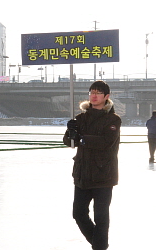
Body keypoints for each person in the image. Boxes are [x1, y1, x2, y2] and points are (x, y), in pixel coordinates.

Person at [63, 80, 121, 250]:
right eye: (91, 92)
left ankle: (99, 247)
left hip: (104, 174)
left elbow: (106, 142)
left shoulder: (113, 119)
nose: (94, 96)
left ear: (106, 97)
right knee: (79, 214)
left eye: (98, 93)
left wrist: (82, 138)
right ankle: (100, 244)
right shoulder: (81, 118)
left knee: (101, 217)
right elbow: (69, 142)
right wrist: (70, 132)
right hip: (82, 173)